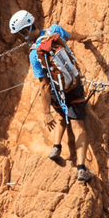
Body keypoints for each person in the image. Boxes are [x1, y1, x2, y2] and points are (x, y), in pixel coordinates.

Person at [9, 10, 94, 182]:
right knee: (78, 127)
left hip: (57, 93)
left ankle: (62, 152)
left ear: (25, 31)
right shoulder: (55, 31)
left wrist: (46, 112)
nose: (19, 38)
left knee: (62, 116)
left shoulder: (34, 54)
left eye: (19, 34)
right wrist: (84, 38)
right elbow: (71, 35)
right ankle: (79, 167)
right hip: (74, 88)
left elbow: (44, 85)